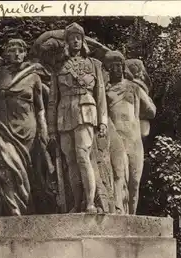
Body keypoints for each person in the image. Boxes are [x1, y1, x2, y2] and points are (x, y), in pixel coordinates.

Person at [47, 23, 108, 214]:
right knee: (71, 160)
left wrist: (103, 121)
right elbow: (52, 100)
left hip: (86, 112)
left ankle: (90, 202)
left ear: (83, 41)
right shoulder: (59, 67)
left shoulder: (94, 65)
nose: (76, 41)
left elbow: (100, 95)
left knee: (83, 155)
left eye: (79, 38)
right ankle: (78, 202)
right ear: (66, 41)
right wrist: (50, 128)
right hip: (64, 115)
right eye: (72, 37)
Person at [0, 38, 49, 215]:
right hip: (3, 126)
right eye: (12, 50)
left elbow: (40, 108)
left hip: (27, 128)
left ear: (25, 53)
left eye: (20, 51)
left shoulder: (34, 76)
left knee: (24, 170)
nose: (16, 54)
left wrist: (43, 128)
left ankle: (25, 206)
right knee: (7, 165)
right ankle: (14, 210)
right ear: (6, 53)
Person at [104, 50, 156, 215]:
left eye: (118, 65)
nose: (116, 69)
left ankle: (132, 216)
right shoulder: (105, 91)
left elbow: (151, 111)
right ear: (108, 69)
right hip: (116, 139)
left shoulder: (133, 88)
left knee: (134, 182)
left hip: (134, 139)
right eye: (112, 67)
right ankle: (120, 214)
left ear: (123, 67)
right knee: (119, 177)